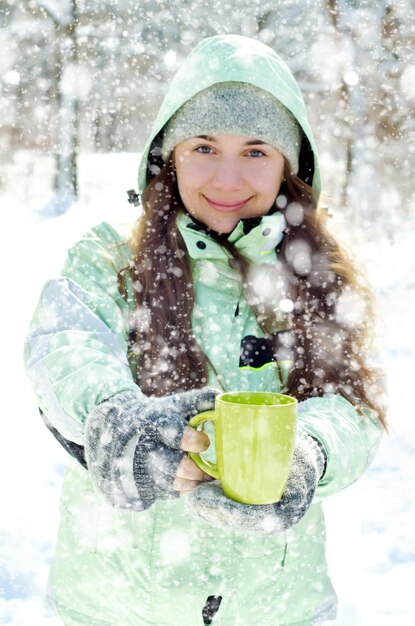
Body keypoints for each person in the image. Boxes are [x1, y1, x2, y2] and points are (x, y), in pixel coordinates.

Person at [24, 34, 387, 626]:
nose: (226, 178)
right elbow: (63, 348)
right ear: (169, 154)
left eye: (255, 152)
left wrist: (305, 454)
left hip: (277, 607)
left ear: (290, 165)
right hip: (116, 604)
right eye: (203, 146)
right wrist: (117, 417)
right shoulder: (111, 255)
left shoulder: (317, 274)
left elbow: (352, 406)